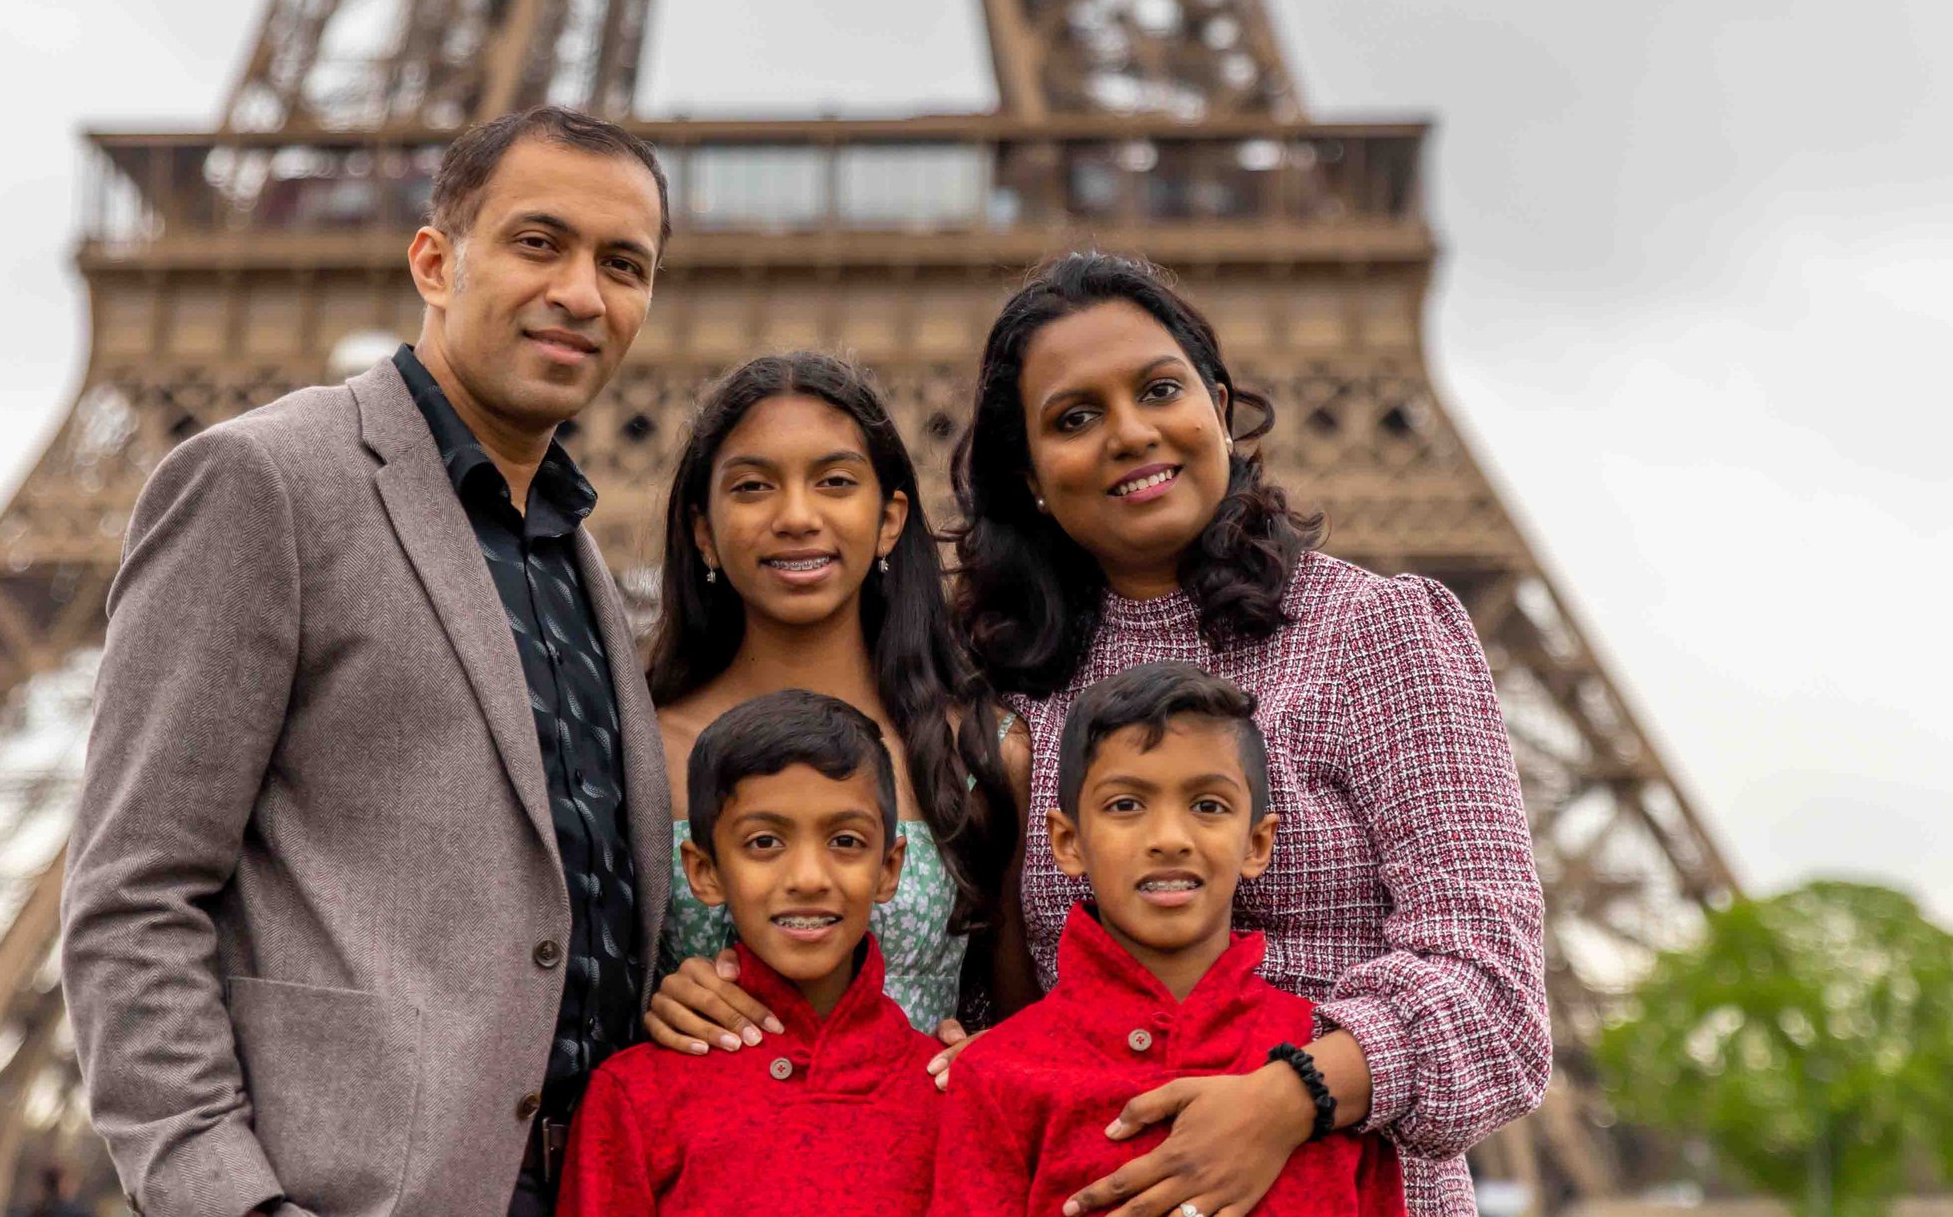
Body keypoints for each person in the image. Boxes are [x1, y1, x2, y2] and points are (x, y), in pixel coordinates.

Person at [61, 107, 675, 1217]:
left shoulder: (572, 551)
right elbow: (132, 894)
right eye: (541, 242)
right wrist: (232, 1201)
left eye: (622, 263)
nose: (583, 292)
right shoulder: (266, 480)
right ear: (435, 260)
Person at [947, 252, 1551, 1217]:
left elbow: (1496, 995)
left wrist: (1290, 1095)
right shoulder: (1007, 696)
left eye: (1158, 389)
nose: (1131, 433)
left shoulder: (1376, 632)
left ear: (1218, 405)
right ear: (1027, 474)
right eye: (1075, 416)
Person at [636, 354, 1028, 1047]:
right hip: (702, 1146)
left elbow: (1026, 1021)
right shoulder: (636, 748)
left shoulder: (982, 753)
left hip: (918, 1146)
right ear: (704, 529)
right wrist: (652, 1002)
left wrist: (984, 1058)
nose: (796, 515)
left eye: (836, 481)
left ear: (889, 518)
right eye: (754, 486)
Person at [934, 664, 1405, 1217]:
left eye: (1207, 806)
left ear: (1257, 844)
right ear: (1066, 842)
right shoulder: (999, 1076)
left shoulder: (1325, 1077)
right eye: (1126, 805)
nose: (1169, 840)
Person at [557, 691, 945, 1217]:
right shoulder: (638, 1097)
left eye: (846, 841)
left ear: (889, 868)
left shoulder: (949, 1089)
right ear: (704, 871)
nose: (808, 879)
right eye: (764, 842)